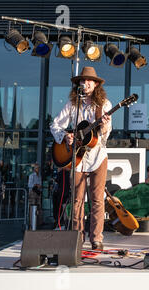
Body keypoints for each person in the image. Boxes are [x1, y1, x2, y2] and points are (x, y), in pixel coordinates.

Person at [50, 66, 112, 250]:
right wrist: (65, 135)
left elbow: (104, 136)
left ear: (96, 84)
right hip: (76, 157)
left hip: (97, 156)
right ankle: (77, 237)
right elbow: (55, 124)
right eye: (82, 81)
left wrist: (105, 126)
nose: (85, 84)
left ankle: (96, 239)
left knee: (97, 199)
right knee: (77, 199)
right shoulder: (72, 104)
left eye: (89, 81)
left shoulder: (104, 105)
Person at [28, 163, 42, 228]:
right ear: (34, 169)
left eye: (38, 168)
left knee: (38, 207)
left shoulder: (39, 176)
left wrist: (38, 186)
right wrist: (35, 185)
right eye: (36, 168)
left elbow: (40, 184)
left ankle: (37, 222)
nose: (38, 169)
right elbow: (29, 185)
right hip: (32, 192)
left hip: (38, 192)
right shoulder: (31, 176)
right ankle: (31, 222)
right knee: (32, 206)